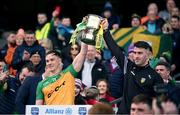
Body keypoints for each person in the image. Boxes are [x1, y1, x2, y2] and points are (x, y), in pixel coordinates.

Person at [101, 19, 164, 114]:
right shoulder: (128, 66)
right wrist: (105, 30)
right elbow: (115, 49)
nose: (136, 56)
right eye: (134, 53)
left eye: (140, 53)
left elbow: (160, 102)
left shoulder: (155, 76)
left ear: (149, 55)